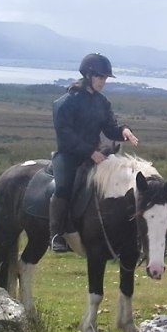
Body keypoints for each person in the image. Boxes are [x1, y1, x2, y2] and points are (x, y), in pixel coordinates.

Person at [49, 53, 139, 252]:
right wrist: (90, 152)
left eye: (105, 78)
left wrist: (123, 131)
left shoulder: (101, 102)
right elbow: (65, 134)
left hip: (95, 155)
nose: (103, 81)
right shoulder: (65, 102)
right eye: (100, 77)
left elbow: (109, 127)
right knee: (63, 186)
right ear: (88, 75)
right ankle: (57, 233)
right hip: (69, 155)